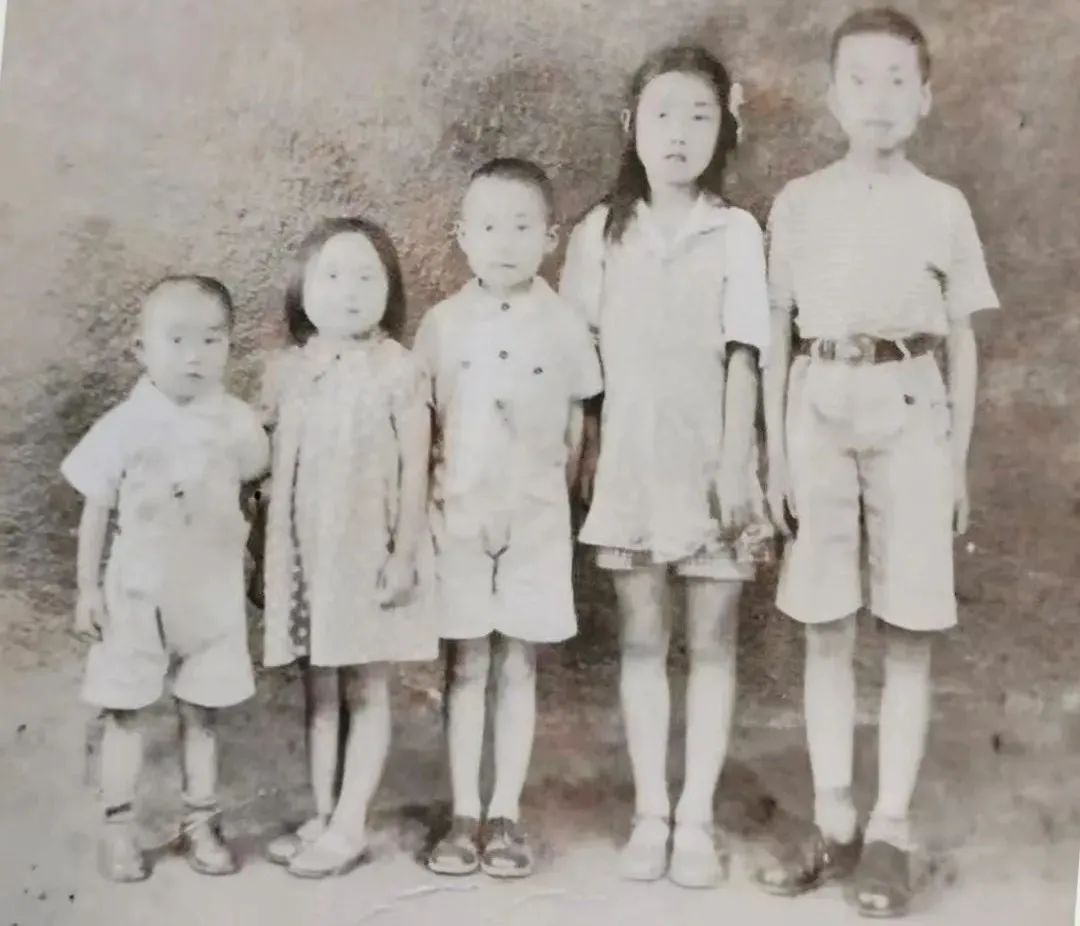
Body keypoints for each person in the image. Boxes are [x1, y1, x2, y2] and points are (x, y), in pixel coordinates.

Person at [756, 9, 999, 917]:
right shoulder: (799, 202)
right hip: (817, 407)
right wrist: (777, 457)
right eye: (860, 79)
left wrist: (957, 461)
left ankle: (890, 832)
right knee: (825, 625)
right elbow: (775, 336)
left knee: (907, 629)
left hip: (912, 412)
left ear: (926, 98)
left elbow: (963, 342)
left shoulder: (943, 206)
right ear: (831, 97)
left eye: (900, 79)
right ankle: (835, 821)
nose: (880, 98)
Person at [559, 45, 772, 888]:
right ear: (631, 126)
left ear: (725, 129)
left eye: (698, 116)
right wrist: (583, 450)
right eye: (661, 115)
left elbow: (747, 354)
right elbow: (577, 360)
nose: (678, 133)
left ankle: (697, 820)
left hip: (713, 466)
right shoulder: (598, 234)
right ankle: (652, 811)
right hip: (631, 467)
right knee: (643, 641)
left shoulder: (737, 232)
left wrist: (735, 463)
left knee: (712, 645)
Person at [418, 158, 602, 878]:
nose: (505, 242)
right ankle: (463, 812)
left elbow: (578, 424)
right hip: (459, 516)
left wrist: (556, 494)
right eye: (489, 226)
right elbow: (426, 424)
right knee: (466, 664)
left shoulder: (564, 325)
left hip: (534, 519)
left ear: (550, 238)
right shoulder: (442, 325)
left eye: (523, 227)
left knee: (519, 664)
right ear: (462, 236)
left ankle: (505, 812)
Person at [62, 275, 269, 881]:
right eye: (176, 340)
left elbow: (256, 489)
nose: (193, 356)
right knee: (124, 712)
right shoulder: (123, 425)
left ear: (229, 346)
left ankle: (200, 823)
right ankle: (119, 828)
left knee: (202, 712)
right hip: (137, 595)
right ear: (141, 350)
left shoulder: (237, 423)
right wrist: (88, 590)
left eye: (211, 340)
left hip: (210, 596)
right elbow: (96, 510)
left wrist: (256, 561)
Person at [260, 217, 437, 878]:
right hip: (307, 555)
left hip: (367, 554)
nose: (349, 290)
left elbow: (416, 471)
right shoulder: (287, 372)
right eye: (332, 275)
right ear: (302, 288)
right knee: (318, 687)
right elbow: (266, 470)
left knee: (364, 686)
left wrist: (403, 554)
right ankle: (323, 811)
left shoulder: (399, 371)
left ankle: (351, 823)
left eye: (367, 276)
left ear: (389, 290)